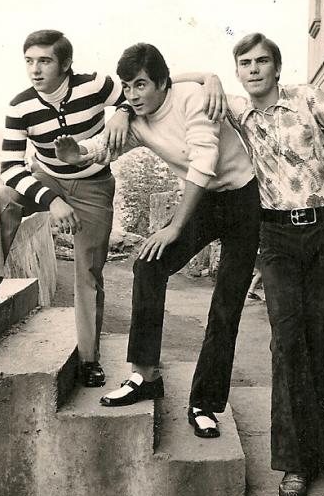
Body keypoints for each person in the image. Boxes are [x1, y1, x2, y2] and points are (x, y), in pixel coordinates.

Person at [179, 32, 324, 496]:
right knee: (286, 342)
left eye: (261, 61)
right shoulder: (236, 110)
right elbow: (172, 83)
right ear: (238, 71)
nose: (253, 69)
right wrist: (208, 76)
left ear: (277, 67)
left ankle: (317, 456)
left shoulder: (307, 98)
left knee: (315, 342)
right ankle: (295, 465)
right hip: (276, 238)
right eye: (244, 63)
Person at [54, 42, 261, 438]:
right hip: (204, 199)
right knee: (148, 266)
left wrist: (175, 227)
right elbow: (105, 147)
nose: (132, 95)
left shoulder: (192, 98)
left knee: (226, 302)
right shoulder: (135, 116)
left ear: (163, 83)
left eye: (140, 85)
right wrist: (77, 152)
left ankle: (204, 404)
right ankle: (145, 376)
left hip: (242, 200)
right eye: (126, 87)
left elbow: (204, 163)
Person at [0, 29, 133, 387]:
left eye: (44, 61)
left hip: (94, 186)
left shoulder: (94, 85)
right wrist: (53, 200)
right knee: (5, 196)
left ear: (65, 63)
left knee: (88, 271)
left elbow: (133, 95)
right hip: (48, 180)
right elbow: (10, 167)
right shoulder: (20, 106)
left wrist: (122, 112)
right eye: (29, 61)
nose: (35, 69)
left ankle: (89, 359)